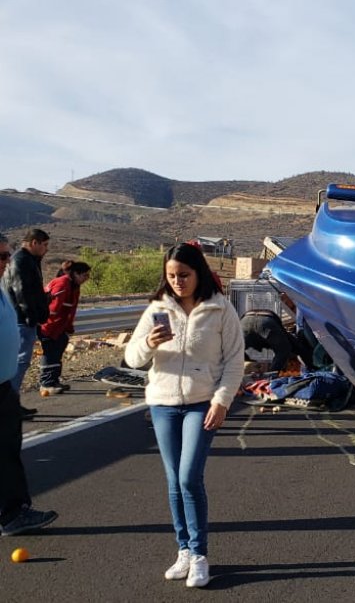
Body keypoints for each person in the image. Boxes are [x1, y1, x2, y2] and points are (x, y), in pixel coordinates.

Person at [124, 243, 244, 589]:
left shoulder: (221, 309)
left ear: (199, 273)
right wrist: (149, 342)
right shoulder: (156, 309)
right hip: (163, 403)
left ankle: (200, 554)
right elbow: (133, 359)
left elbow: (235, 360)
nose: (178, 282)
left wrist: (221, 402)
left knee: (190, 477)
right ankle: (184, 552)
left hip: (201, 402)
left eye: (184, 275)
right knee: (173, 480)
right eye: (172, 276)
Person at [0, 233, 59, 536]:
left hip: (3, 387)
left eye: (6, 255)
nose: (6, 262)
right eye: (0, 257)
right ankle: (11, 513)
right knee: (5, 451)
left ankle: (13, 510)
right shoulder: (21, 268)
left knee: (8, 447)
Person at [0, 229, 51, 420]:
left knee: (19, 363)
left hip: (22, 319)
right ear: (34, 243)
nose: (46, 249)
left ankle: (12, 404)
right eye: (44, 245)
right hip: (23, 320)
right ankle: (9, 405)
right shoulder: (22, 261)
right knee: (19, 363)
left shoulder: (29, 261)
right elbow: (22, 292)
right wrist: (32, 316)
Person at [38, 261, 92, 394]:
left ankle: (54, 381)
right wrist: (49, 327)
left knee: (57, 352)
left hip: (60, 327)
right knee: (51, 353)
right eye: (85, 275)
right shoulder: (63, 284)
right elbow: (53, 309)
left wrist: (68, 327)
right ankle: (46, 383)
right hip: (49, 326)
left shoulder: (74, 286)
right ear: (76, 273)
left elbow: (70, 310)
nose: (86, 279)